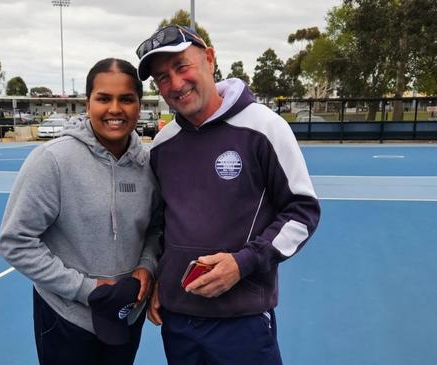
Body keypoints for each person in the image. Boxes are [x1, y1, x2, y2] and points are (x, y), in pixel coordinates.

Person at [135, 25, 321, 364]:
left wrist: (242, 263)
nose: (175, 84)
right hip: (178, 321)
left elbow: (302, 212)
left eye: (182, 67)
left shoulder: (264, 127)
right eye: (162, 78)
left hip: (243, 321)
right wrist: (162, 276)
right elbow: (161, 223)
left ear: (208, 58)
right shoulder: (162, 146)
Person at [0, 58, 162, 365]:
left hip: (126, 315)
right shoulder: (52, 161)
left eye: (126, 99)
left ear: (140, 106)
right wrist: (86, 290)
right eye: (103, 98)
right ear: (88, 104)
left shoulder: (149, 164)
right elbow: (15, 242)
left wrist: (147, 266)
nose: (115, 109)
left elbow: (155, 228)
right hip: (66, 317)